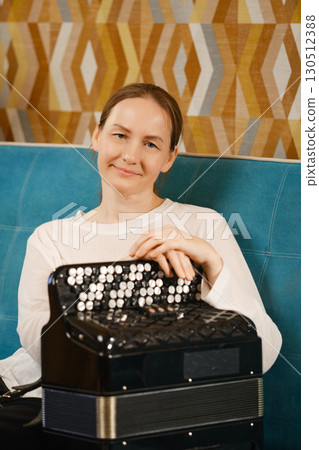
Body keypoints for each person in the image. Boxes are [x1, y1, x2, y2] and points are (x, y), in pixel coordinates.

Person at [0, 83, 282, 448]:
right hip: (46, 400)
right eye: (120, 135)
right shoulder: (51, 237)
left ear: (169, 157)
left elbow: (265, 353)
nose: (131, 155)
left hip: (157, 412)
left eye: (151, 143)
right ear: (97, 138)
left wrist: (212, 263)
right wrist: (127, 286)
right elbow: (41, 344)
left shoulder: (202, 227)